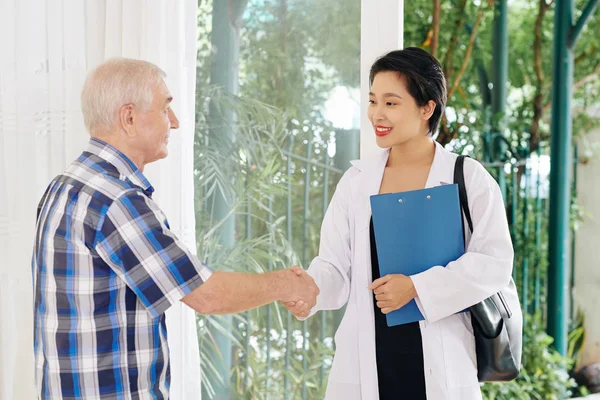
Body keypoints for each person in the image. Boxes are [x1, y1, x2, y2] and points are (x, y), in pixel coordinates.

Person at [31, 58, 319, 400]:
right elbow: (206, 294)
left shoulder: (66, 184)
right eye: (166, 108)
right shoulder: (116, 200)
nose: (176, 122)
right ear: (129, 117)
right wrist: (286, 283)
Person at [284, 47, 514, 400]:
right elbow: (334, 265)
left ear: (427, 107)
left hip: (440, 359)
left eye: (391, 103)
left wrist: (417, 287)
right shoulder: (356, 181)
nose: (377, 113)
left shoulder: (467, 177)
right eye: (373, 101)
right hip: (367, 358)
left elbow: (493, 263)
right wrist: (310, 291)